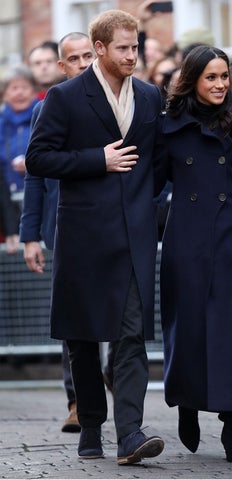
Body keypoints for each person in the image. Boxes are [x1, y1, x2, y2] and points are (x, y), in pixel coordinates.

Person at [25, 9, 165, 465]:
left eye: (136, 45)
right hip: (83, 234)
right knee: (82, 336)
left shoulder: (149, 95)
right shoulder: (64, 97)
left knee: (130, 337)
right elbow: (39, 159)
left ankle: (130, 434)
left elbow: (158, 162)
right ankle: (91, 424)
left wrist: (150, 200)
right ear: (100, 48)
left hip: (134, 237)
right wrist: (95, 160)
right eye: (123, 47)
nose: (132, 55)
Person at [159, 45, 232, 463]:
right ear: (193, 79)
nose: (220, 84)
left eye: (224, 76)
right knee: (188, 330)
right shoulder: (170, 127)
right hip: (186, 242)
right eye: (211, 76)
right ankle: (188, 407)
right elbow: (151, 186)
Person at [20, 31, 96, 434]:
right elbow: (35, 174)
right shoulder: (47, 108)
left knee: (119, 318)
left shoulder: (118, 102)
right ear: (62, 66)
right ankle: (77, 401)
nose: (84, 63)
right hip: (60, 227)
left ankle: (111, 386)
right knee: (72, 318)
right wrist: (30, 234)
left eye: (89, 55)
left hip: (108, 226)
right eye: (75, 58)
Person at [0, 65, 39, 251]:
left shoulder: (43, 115)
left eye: (25, 87)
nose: (20, 93)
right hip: (6, 203)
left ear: (34, 91)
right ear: (4, 94)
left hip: (39, 200)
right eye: (14, 88)